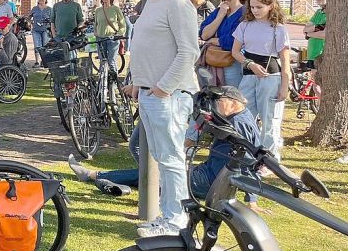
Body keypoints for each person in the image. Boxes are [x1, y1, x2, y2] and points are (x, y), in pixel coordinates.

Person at [69, 86, 261, 201]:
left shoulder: (238, 124)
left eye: (219, 100)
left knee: (161, 175)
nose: (215, 103)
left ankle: (95, 176)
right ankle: (104, 179)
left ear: (234, 103)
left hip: (210, 181)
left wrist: (251, 198)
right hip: (209, 175)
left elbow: (248, 160)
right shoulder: (241, 117)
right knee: (157, 174)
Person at [126, 0, 200, 238]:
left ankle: (176, 220)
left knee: (170, 158)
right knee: (161, 156)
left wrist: (163, 88)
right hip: (149, 93)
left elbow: (188, 51)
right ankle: (168, 217)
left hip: (168, 96)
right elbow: (152, 48)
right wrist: (138, 83)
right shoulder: (151, 4)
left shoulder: (178, 4)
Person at [231, 0, 291, 162]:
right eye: (253, 7)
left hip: (270, 77)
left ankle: (269, 159)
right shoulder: (244, 25)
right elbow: (235, 51)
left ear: (270, 6)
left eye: (260, 7)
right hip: (249, 75)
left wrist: (284, 85)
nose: (255, 10)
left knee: (269, 119)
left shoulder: (278, 29)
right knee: (244, 114)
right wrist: (249, 64)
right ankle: (247, 152)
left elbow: (284, 60)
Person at [200, 0, 247, 86]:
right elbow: (204, 35)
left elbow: (233, 41)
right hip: (213, 61)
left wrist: (215, 40)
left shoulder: (244, 13)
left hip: (232, 62)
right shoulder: (218, 11)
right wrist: (220, 16)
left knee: (231, 97)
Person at [94, 0, 126, 72]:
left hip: (112, 39)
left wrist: (119, 34)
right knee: (102, 62)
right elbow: (96, 23)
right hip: (100, 39)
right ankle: (102, 83)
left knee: (111, 62)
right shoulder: (98, 10)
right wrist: (95, 32)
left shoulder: (116, 9)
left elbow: (122, 24)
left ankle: (114, 82)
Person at [29, 0, 53, 67]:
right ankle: (37, 62)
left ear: (45, 0)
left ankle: (44, 61)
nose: (41, 0)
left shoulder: (49, 9)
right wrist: (31, 23)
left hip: (46, 29)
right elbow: (29, 17)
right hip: (36, 29)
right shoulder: (34, 8)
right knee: (37, 45)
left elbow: (52, 20)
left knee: (45, 45)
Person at [304, 0, 326, 64]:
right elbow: (305, 29)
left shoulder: (332, 13)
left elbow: (325, 34)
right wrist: (320, 27)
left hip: (322, 56)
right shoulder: (318, 12)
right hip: (311, 56)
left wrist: (308, 34)